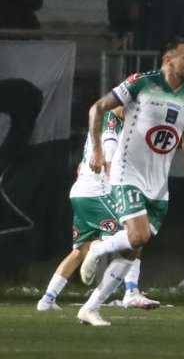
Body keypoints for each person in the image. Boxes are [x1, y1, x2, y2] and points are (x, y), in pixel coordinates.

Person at [76, 37, 184, 326]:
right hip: (127, 174)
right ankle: (98, 248)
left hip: (158, 183)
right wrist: (98, 148)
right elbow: (97, 108)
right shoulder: (142, 83)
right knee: (138, 236)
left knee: (132, 250)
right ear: (168, 59)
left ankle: (90, 308)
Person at [36, 108, 159, 312]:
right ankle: (131, 292)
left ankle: (47, 299)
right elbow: (109, 150)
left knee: (79, 251)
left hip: (81, 192)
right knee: (135, 235)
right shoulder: (110, 121)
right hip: (97, 193)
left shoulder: (110, 122)